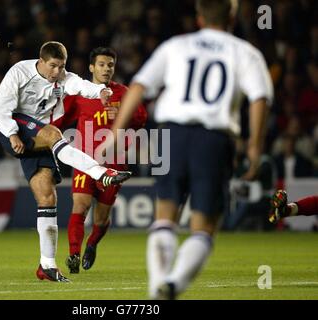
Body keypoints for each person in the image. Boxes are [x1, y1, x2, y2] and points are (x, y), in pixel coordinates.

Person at [105, 0, 273, 299]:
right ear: (232, 16)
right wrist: (255, 145)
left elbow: (139, 87)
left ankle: (157, 285)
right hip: (214, 139)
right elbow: (260, 98)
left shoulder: (176, 46)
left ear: (198, 17)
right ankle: (175, 284)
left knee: (165, 215)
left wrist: (116, 133)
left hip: (171, 134)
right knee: (204, 226)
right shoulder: (245, 53)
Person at [0, 41, 132, 283]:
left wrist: (100, 91)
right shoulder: (20, 72)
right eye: (53, 66)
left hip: (37, 136)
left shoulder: (63, 77)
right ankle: (99, 172)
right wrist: (12, 133)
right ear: (41, 61)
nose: (57, 72)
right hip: (13, 127)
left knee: (47, 196)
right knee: (55, 134)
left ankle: (47, 266)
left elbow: (78, 84)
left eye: (61, 66)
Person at [60, 47, 147, 274]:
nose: (106, 69)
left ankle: (92, 244)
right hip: (85, 161)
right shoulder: (80, 94)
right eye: (101, 64)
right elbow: (61, 119)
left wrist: (121, 122)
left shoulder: (124, 93)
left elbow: (141, 119)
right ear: (91, 67)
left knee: (101, 219)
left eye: (110, 65)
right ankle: (73, 254)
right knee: (80, 205)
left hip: (114, 162)